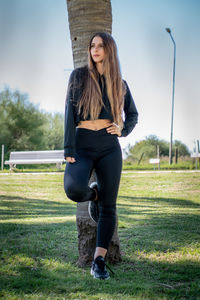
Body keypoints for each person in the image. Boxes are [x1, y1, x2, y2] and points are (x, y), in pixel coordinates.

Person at [64, 32, 138, 280]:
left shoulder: (120, 82)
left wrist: (123, 130)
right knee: (74, 190)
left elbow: (133, 115)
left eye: (100, 46)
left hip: (109, 146)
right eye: (92, 45)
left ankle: (99, 261)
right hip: (82, 143)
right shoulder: (79, 77)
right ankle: (93, 193)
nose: (95, 50)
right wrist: (68, 148)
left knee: (109, 207)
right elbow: (68, 111)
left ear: (109, 50)